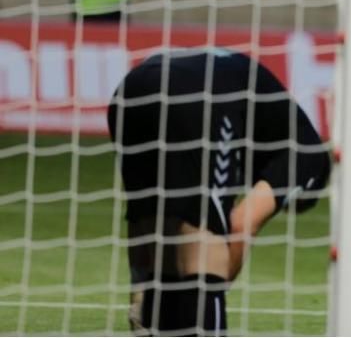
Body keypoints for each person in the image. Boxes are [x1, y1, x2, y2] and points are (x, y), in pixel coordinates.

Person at [107, 48, 331, 335]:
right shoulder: (308, 158)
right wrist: (214, 284)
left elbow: (141, 223)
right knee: (203, 244)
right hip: (198, 97)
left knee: (156, 219)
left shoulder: (264, 117)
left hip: (131, 89)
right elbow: (240, 224)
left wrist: (139, 292)